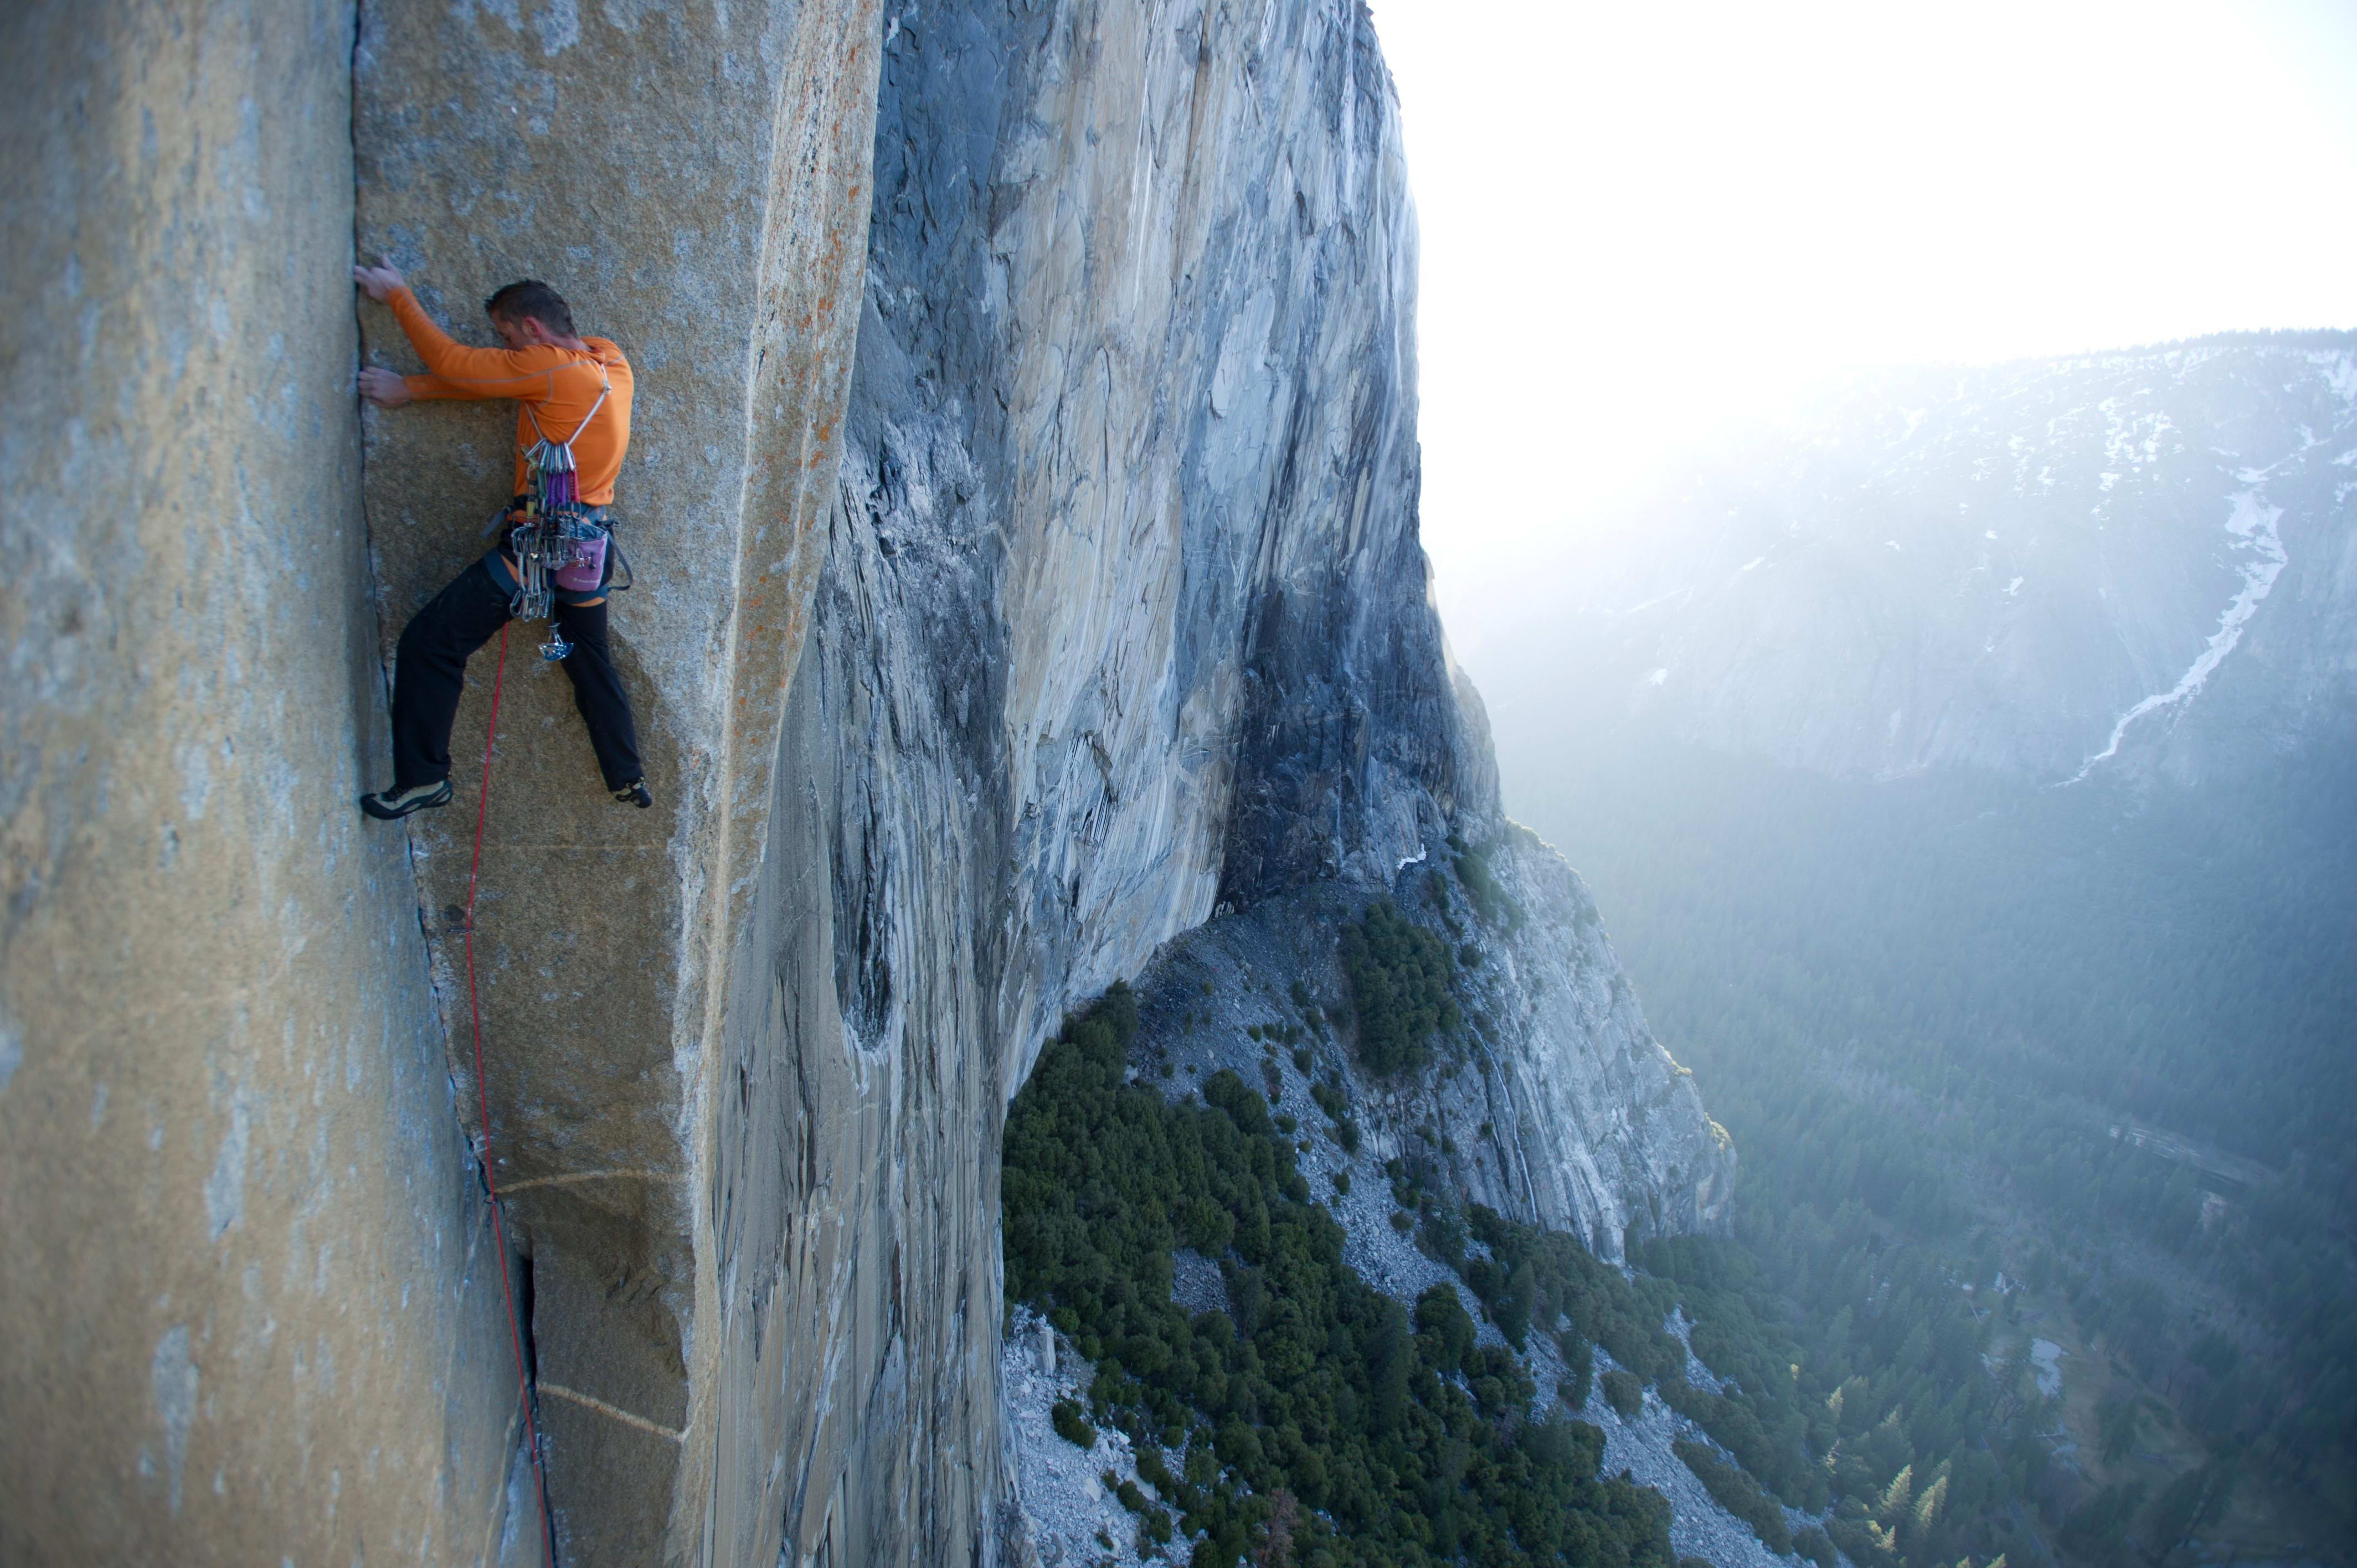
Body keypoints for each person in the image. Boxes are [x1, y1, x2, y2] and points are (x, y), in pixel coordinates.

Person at [351, 262, 651, 818]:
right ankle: (625, 774)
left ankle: (423, 780)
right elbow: (497, 382)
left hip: (540, 545)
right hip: (591, 548)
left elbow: (457, 366)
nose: (505, 348)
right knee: (586, 657)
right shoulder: (607, 359)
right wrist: (409, 392)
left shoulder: (551, 370)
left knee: (432, 642)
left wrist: (397, 296)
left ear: (533, 329)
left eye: (508, 337)